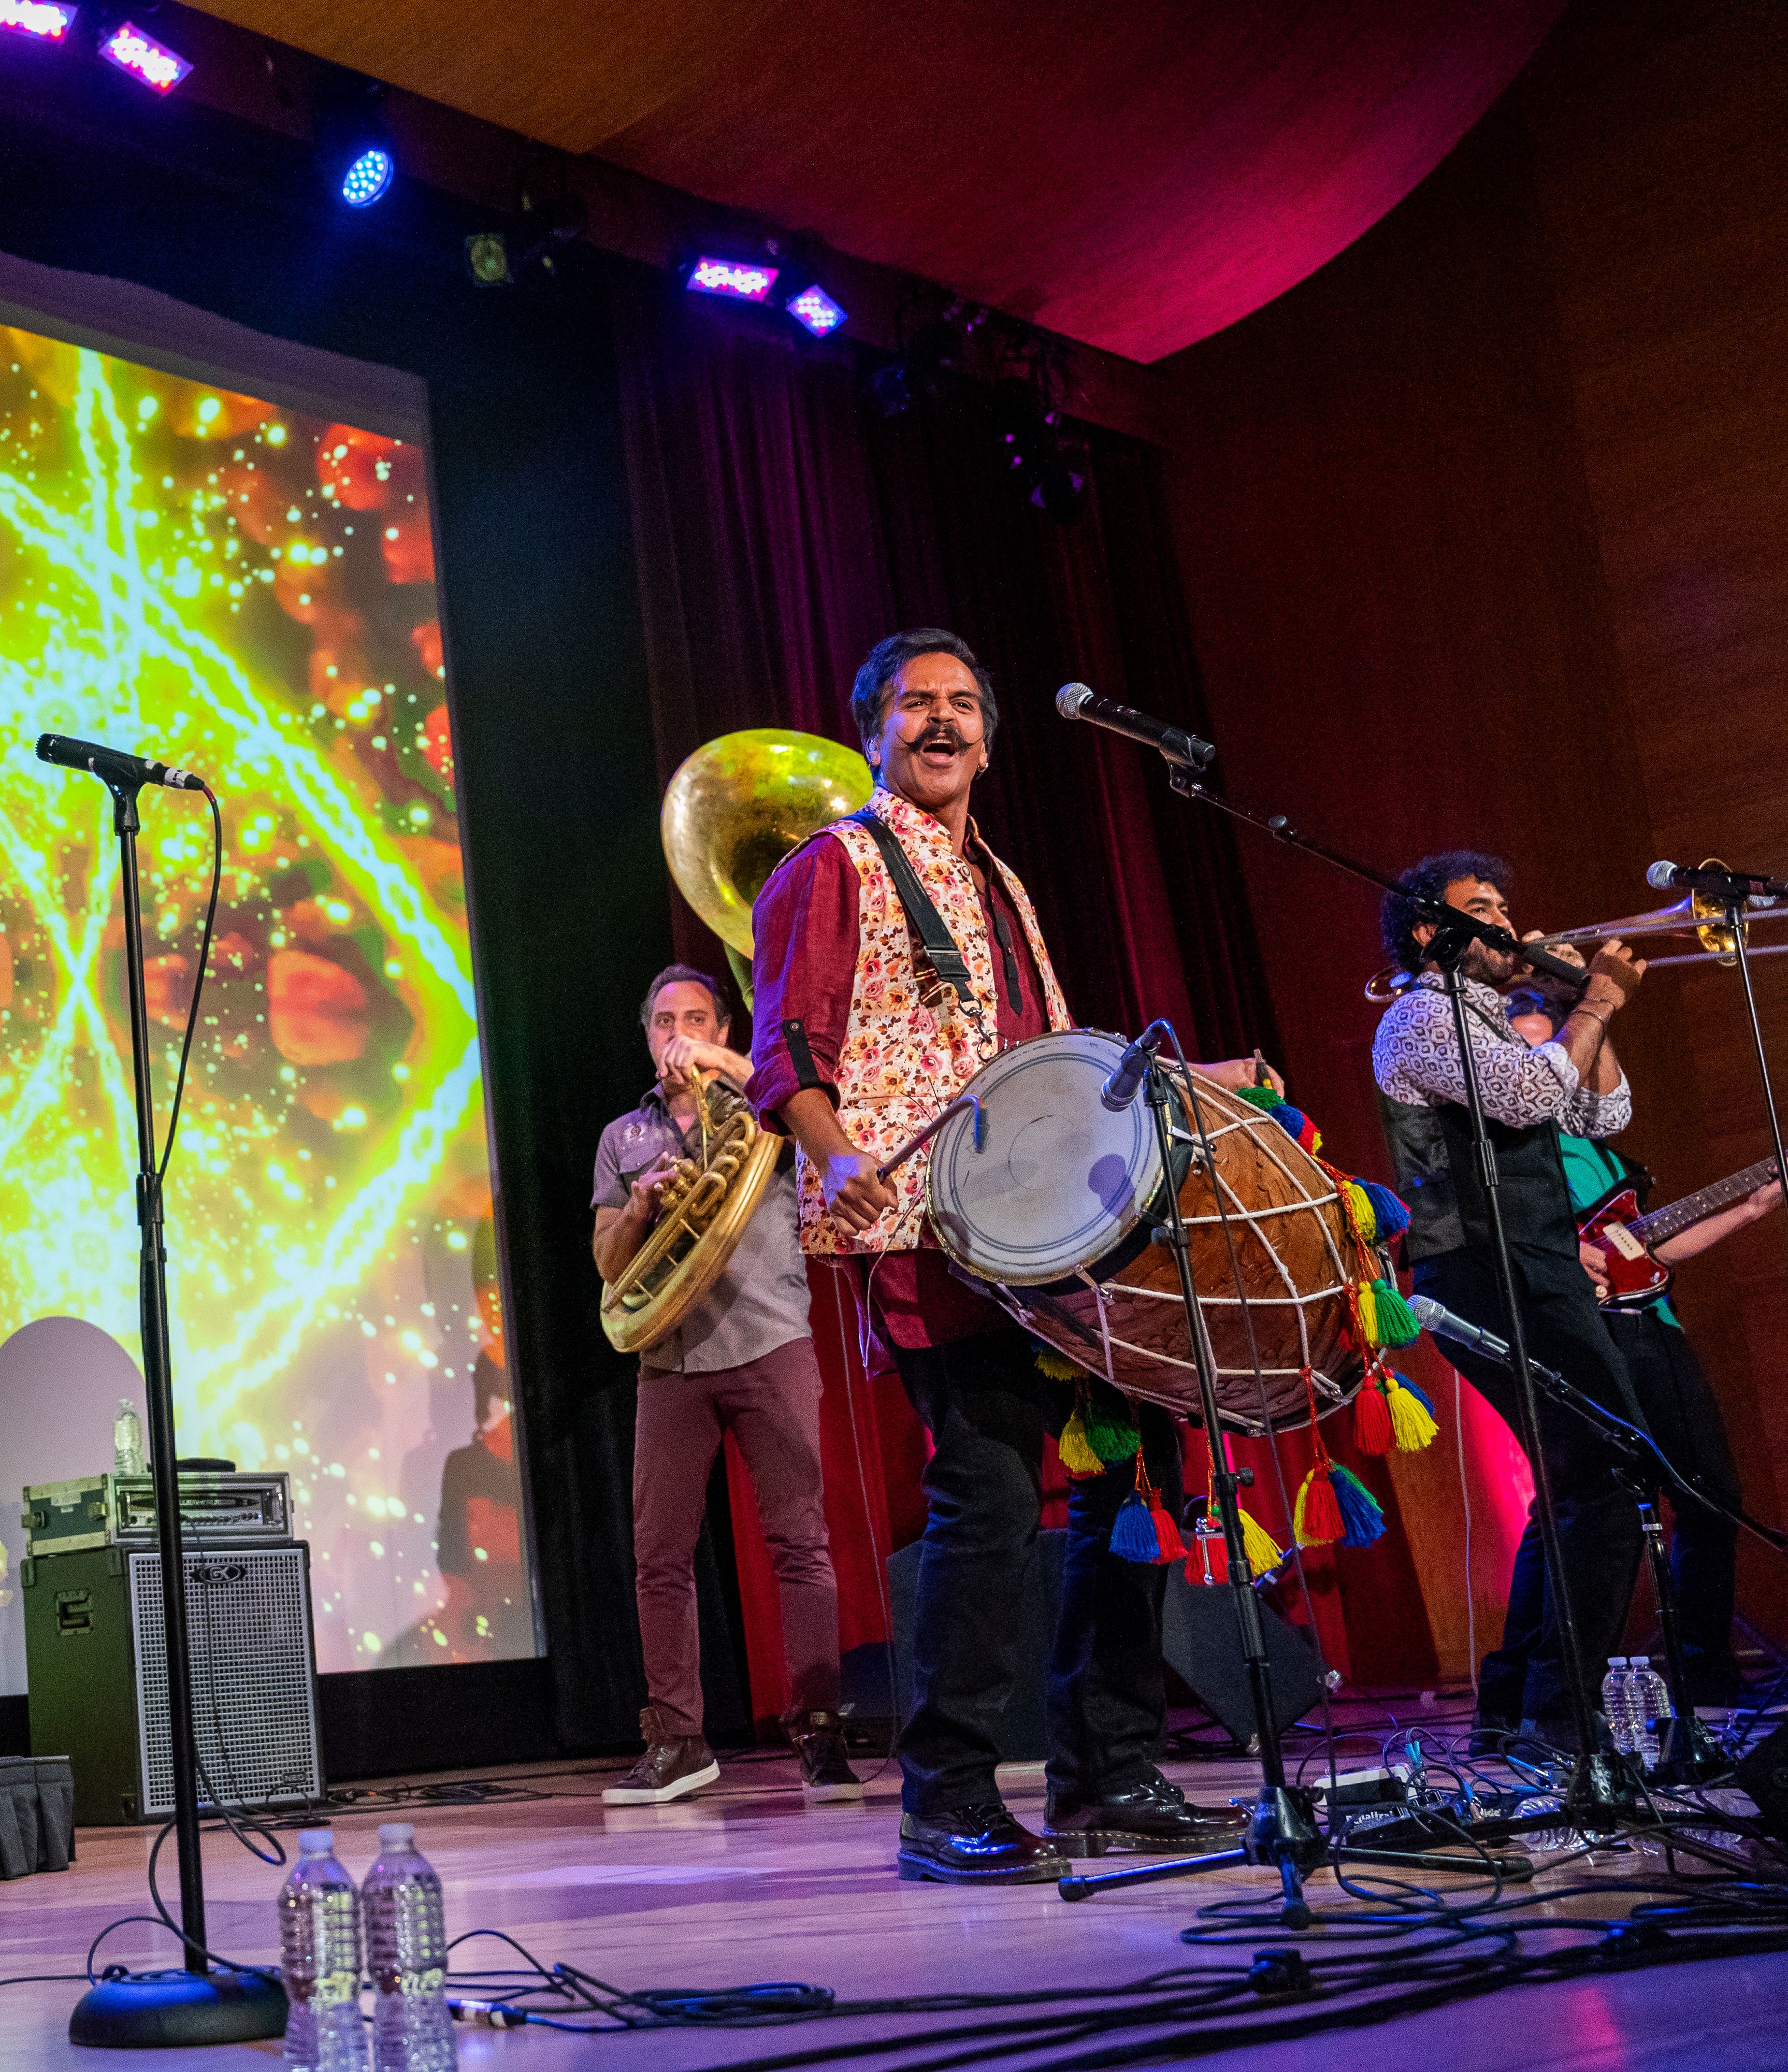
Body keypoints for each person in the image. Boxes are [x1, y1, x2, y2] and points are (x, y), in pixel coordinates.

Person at [744, 629, 1257, 1883]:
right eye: (915, 702)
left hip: (1055, 1225)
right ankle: (948, 1798)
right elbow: (786, 1045)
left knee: (1129, 1476)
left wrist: (1184, 1083)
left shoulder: (1003, 881)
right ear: (871, 729)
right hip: (930, 1227)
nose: (942, 721)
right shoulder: (832, 866)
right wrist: (837, 1153)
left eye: (963, 704)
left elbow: (1047, 1051)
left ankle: (1110, 1774)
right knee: (988, 1497)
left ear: (989, 736)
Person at [1368, 852, 1646, 1745]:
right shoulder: (1421, 1016)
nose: (1504, 920)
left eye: (1503, 905)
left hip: (1536, 1263)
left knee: (1581, 1481)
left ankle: (1519, 1704)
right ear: (1429, 931)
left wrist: (1578, 1006)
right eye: (1481, 907)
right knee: (1608, 1471)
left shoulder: (1496, 1023)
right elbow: (1529, 1099)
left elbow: (1602, 1117)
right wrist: (1596, 1004)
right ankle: (1563, 1716)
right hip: (1482, 1270)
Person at [593, 963, 858, 1807]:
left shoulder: (768, 1108)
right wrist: (642, 1207)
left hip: (770, 1343)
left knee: (800, 1543)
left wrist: (725, 1069)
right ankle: (678, 1740)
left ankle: (819, 1730)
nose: (679, 1035)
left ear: (724, 1031)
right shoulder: (624, 1137)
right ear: (647, 1034)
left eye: (697, 1020)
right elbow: (608, 1266)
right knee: (659, 1558)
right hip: (670, 1359)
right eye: (665, 1021)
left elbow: (819, 1128)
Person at [1508, 991, 1777, 1706]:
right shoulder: (1509, 1152)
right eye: (1528, 1052)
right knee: (1577, 1508)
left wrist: (1748, 1212)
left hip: (1654, 1326)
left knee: (1712, 1495)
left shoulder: (1597, 1145)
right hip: (1585, 1336)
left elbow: (1643, 1249)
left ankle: (1702, 1667)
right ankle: (1527, 1691)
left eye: (1554, 1049)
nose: (1550, 1065)